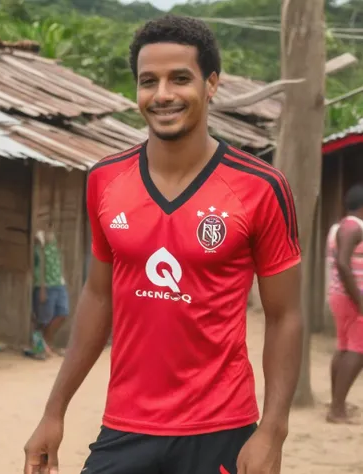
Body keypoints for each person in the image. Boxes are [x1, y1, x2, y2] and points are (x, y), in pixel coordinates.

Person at [24, 15, 302, 474]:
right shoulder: (104, 181)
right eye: (148, 81)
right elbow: (98, 295)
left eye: (180, 79)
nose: (163, 94)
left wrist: (272, 431)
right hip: (125, 427)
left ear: (211, 84)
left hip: (221, 430)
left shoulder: (260, 187)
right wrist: (54, 411)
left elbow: (285, 314)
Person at [326, 184, 363, 424]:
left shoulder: (339, 226)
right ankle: (337, 410)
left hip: (340, 296)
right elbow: (342, 263)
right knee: (357, 350)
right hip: (353, 297)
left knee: (344, 346)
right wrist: (359, 300)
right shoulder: (353, 226)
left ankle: (337, 403)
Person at [32, 225, 68, 357]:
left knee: (63, 313)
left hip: (59, 283)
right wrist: (42, 288)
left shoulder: (55, 242)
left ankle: (46, 343)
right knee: (44, 319)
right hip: (46, 285)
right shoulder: (39, 242)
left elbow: (58, 262)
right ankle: (41, 347)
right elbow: (40, 266)